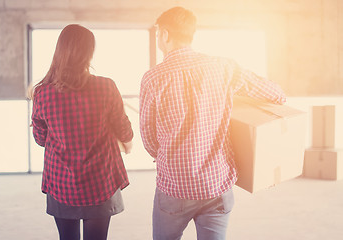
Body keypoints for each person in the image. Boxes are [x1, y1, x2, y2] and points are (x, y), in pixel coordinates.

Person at [139, 7, 286, 240]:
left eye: (158, 34)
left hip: (175, 186)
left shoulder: (153, 78)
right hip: (216, 185)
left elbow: (148, 137)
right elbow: (274, 93)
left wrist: (167, 155)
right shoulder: (223, 67)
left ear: (165, 34)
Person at [30, 24, 133, 240]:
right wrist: (125, 140)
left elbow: (40, 139)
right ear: (89, 53)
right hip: (100, 181)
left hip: (61, 182)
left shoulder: (43, 93)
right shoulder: (106, 87)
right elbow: (124, 129)